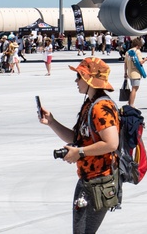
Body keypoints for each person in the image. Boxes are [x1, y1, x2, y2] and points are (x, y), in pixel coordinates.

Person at [39, 57, 120, 233]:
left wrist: (80, 153)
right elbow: (78, 138)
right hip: (87, 179)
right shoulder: (89, 105)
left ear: (89, 79)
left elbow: (111, 143)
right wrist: (52, 122)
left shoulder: (102, 107)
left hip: (99, 181)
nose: (76, 81)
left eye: (79, 76)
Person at [123, 38, 147, 107]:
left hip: (130, 72)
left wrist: (125, 72)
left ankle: (129, 102)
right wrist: (145, 59)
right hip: (136, 73)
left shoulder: (128, 52)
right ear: (138, 45)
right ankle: (131, 104)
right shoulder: (137, 51)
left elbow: (125, 63)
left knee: (134, 88)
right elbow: (140, 62)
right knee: (135, 88)